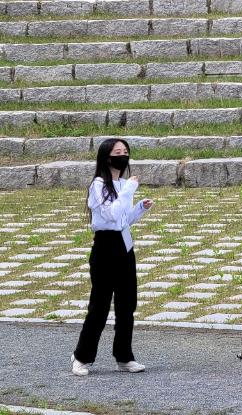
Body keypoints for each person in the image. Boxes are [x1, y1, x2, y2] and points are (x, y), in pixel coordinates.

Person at [72, 138, 153, 376]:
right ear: (107, 158)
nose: (123, 156)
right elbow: (111, 214)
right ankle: (81, 357)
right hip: (105, 248)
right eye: (118, 152)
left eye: (125, 151)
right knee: (99, 306)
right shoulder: (98, 185)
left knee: (127, 305)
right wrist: (130, 189)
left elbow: (123, 220)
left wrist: (140, 208)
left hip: (124, 246)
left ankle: (124, 357)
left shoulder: (122, 185)